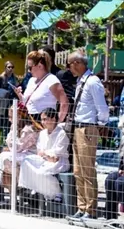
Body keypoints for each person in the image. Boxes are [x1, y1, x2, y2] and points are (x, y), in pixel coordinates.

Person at [68, 51, 109, 220]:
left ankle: (90, 209)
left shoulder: (92, 81)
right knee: (78, 170)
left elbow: (102, 107)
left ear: (78, 63)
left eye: (70, 64)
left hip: (87, 128)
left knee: (87, 170)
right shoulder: (81, 81)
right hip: (78, 127)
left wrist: (100, 125)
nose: (69, 68)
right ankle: (82, 206)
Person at [18, 108, 70, 201]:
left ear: (53, 119)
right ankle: (38, 187)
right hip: (45, 159)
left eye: (45, 119)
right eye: (42, 119)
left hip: (60, 162)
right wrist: (47, 155)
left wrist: (46, 154)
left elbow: (56, 156)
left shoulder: (61, 134)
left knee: (41, 172)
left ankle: (56, 191)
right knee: (26, 161)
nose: (42, 122)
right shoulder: (42, 133)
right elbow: (39, 151)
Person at [15, 50, 69, 125]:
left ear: (40, 66)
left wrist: (57, 123)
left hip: (44, 123)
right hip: (29, 121)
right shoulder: (31, 80)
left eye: (30, 68)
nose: (29, 71)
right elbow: (27, 103)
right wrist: (19, 94)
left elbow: (64, 103)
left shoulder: (52, 80)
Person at [0, 106, 38, 194]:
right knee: (5, 163)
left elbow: (17, 148)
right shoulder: (15, 127)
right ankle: (13, 194)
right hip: (21, 155)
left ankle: (21, 184)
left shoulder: (28, 130)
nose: (9, 120)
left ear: (19, 117)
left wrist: (12, 134)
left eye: (11, 117)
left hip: (31, 157)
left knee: (6, 159)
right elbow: (11, 144)